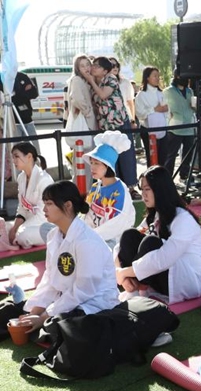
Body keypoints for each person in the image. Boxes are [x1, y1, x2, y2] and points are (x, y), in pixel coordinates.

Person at [11, 181, 120, 337]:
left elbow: (84, 290)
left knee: (57, 327)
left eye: (49, 203)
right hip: (68, 299)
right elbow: (50, 279)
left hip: (95, 303)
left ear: (68, 205)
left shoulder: (87, 241)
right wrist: (33, 311)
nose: (44, 209)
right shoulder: (53, 236)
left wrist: (43, 317)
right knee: (14, 312)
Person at [115, 166, 201, 304]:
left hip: (188, 281)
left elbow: (164, 258)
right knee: (130, 235)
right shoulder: (156, 214)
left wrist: (125, 273)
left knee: (151, 242)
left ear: (160, 190)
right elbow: (121, 246)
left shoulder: (183, 219)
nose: (143, 195)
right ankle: (133, 287)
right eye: (142, 190)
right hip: (164, 275)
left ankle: (134, 289)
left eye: (148, 189)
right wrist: (120, 272)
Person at [84, 56, 139, 199]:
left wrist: (91, 81)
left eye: (97, 66)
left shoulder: (111, 79)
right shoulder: (94, 83)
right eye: (93, 65)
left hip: (119, 123)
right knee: (110, 158)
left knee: (126, 156)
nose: (93, 68)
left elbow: (103, 95)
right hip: (106, 127)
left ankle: (131, 188)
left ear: (105, 70)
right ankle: (114, 188)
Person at [83, 131, 136, 249]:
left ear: (108, 166)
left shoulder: (120, 191)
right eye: (91, 163)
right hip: (91, 237)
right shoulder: (95, 187)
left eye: (96, 163)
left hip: (112, 241)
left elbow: (115, 225)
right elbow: (88, 215)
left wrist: (88, 235)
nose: (92, 167)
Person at [3, 143, 54, 250]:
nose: (14, 161)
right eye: (13, 157)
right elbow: (22, 208)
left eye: (17, 156)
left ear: (29, 156)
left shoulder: (44, 180)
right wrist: (15, 227)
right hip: (30, 222)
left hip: (46, 224)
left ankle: (54, 237)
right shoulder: (21, 178)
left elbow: (43, 215)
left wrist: (19, 229)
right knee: (4, 227)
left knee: (22, 235)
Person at [135, 66, 170, 169]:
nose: (157, 78)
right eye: (154, 76)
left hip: (163, 127)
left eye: (158, 76)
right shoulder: (141, 95)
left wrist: (166, 109)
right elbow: (140, 114)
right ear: (147, 78)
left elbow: (168, 110)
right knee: (152, 158)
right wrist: (154, 109)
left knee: (163, 157)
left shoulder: (161, 93)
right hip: (148, 129)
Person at [163, 72, 197, 181]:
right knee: (171, 154)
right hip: (175, 127)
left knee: (188, 153)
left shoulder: (190, 91)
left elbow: (193, 107)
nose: (186, 80)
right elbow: (164, 107)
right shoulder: (168, 91)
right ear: (176, 76)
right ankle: (168, 176)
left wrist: (195, 107)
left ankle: (185, 173)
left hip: (189, 126)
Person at [1, 71, 39, 151]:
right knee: (14, 149)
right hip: (12, 121)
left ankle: (36, 163)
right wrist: (23, 91)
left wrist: (16, 93)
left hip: (28, 119)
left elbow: (34, 93)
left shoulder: (22, 76)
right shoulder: (3, 78)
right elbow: (6, 96)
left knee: (34, 149)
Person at [65, 54, 98, 148]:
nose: (86, 68)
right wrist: (88, 112)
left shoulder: (86, 80)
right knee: (85, 150)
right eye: (82, 66)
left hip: (87, 120)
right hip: (85, 120)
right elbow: (77, 99)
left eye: (88, 64)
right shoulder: (77, 80)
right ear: (77, 68)